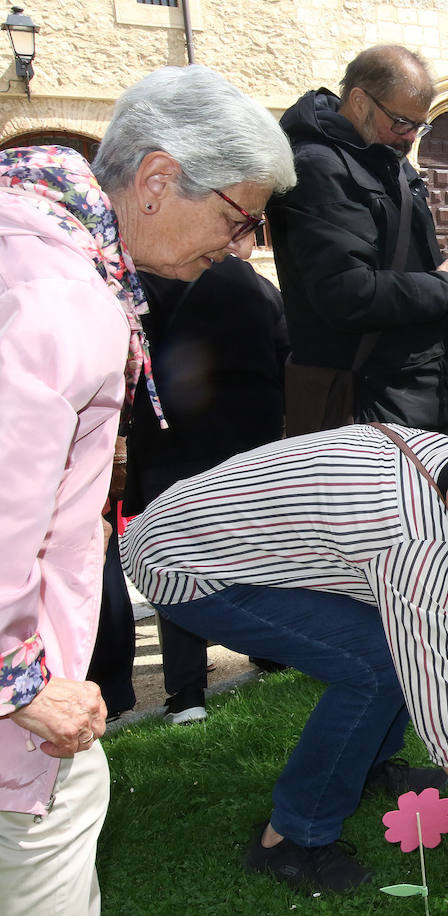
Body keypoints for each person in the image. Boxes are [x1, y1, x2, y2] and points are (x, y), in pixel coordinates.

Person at [1, 64, 295, 913]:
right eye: (238, 217)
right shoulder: (65, 299)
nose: (239, 246)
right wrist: (20, 684)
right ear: (159, 179)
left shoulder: (28, 241)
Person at [123, 422, 448, 893]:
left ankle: (361, 761)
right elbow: (442, 717)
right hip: (184, 566)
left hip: (204, 535)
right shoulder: (413, 541)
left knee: (394, 656)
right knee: (382, 668)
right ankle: (290, 838)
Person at [268, 45, 448, 435]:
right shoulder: (318, 168)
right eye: (401, 123)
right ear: (360, 101)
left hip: (420, 387)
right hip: (369, 398)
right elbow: (345, 291)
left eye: (420, 126)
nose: (410, 137)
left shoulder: (388, 158)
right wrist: (439, 288)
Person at [126, 257, 291, 724]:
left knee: (173, 560)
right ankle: (271, 651)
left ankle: (187, 692)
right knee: (254, 551)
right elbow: (284, 353)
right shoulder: (251, 282)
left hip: (172, 441)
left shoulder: (140, 281)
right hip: (245, 442)